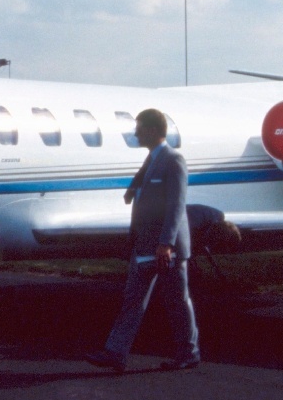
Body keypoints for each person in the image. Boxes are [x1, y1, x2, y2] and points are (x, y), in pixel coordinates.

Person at [86, 109, 201, 373]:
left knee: (177, 302)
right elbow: (145, 186)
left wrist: (166, 244)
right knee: (133, 300)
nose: (135, 133)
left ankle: (189, 353)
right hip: (146, 245)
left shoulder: (173, 160)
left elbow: (176, 205)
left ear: (151, 130)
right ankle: (115, 353)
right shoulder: (152, 160)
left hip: (165, 249)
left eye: (139, 128)